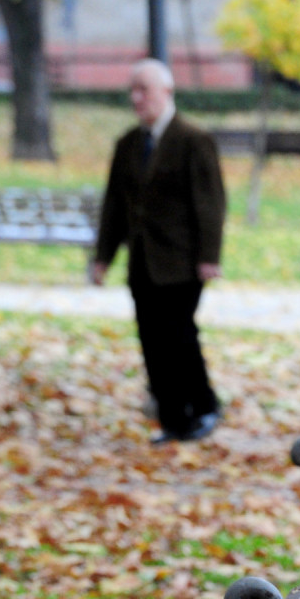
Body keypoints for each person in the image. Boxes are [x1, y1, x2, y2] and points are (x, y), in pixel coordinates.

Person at [93, 58, 226, 444]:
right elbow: (114, 206)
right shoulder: (128, 145)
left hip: (182, 263)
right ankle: (173, 420)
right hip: (142, 264)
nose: (137, 98)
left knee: (180, 335)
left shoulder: (193, 140)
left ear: (166, 92)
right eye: (132, 90)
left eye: (144, 90)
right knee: (151, 340)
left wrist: (209, 256)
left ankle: (203, 407)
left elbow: (210, 202)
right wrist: (103, 257)